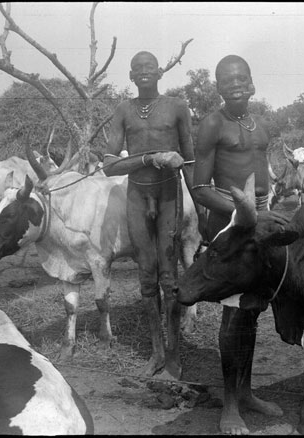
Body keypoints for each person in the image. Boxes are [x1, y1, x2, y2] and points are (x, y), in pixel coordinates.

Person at [192, 55, 289, 434]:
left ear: (251, 83)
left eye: (241, 78)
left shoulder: (262, 125)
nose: (235, 84)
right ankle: (229, 406)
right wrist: (241, 212)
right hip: (230, 223)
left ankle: (247, 393)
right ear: (218, 87)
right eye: (226, 80)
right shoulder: (212, 124)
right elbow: (200, 188)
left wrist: (264, 211)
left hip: (260, 220)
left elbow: (263, 181)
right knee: (234, 313)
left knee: (252, 309)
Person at [102, 51, 197, 381]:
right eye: (137, 68)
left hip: (170, 194)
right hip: (137, 196)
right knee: (147, 278)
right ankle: (156, 353)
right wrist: (149, 159)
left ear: (160, 72)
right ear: (130, 76)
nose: (144, 72)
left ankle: (174, 355)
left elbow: (190, 159)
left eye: (149, 67)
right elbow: (109, 165)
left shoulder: (177, 107)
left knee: (169, 278)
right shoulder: (123, 110)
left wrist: (202, 204)